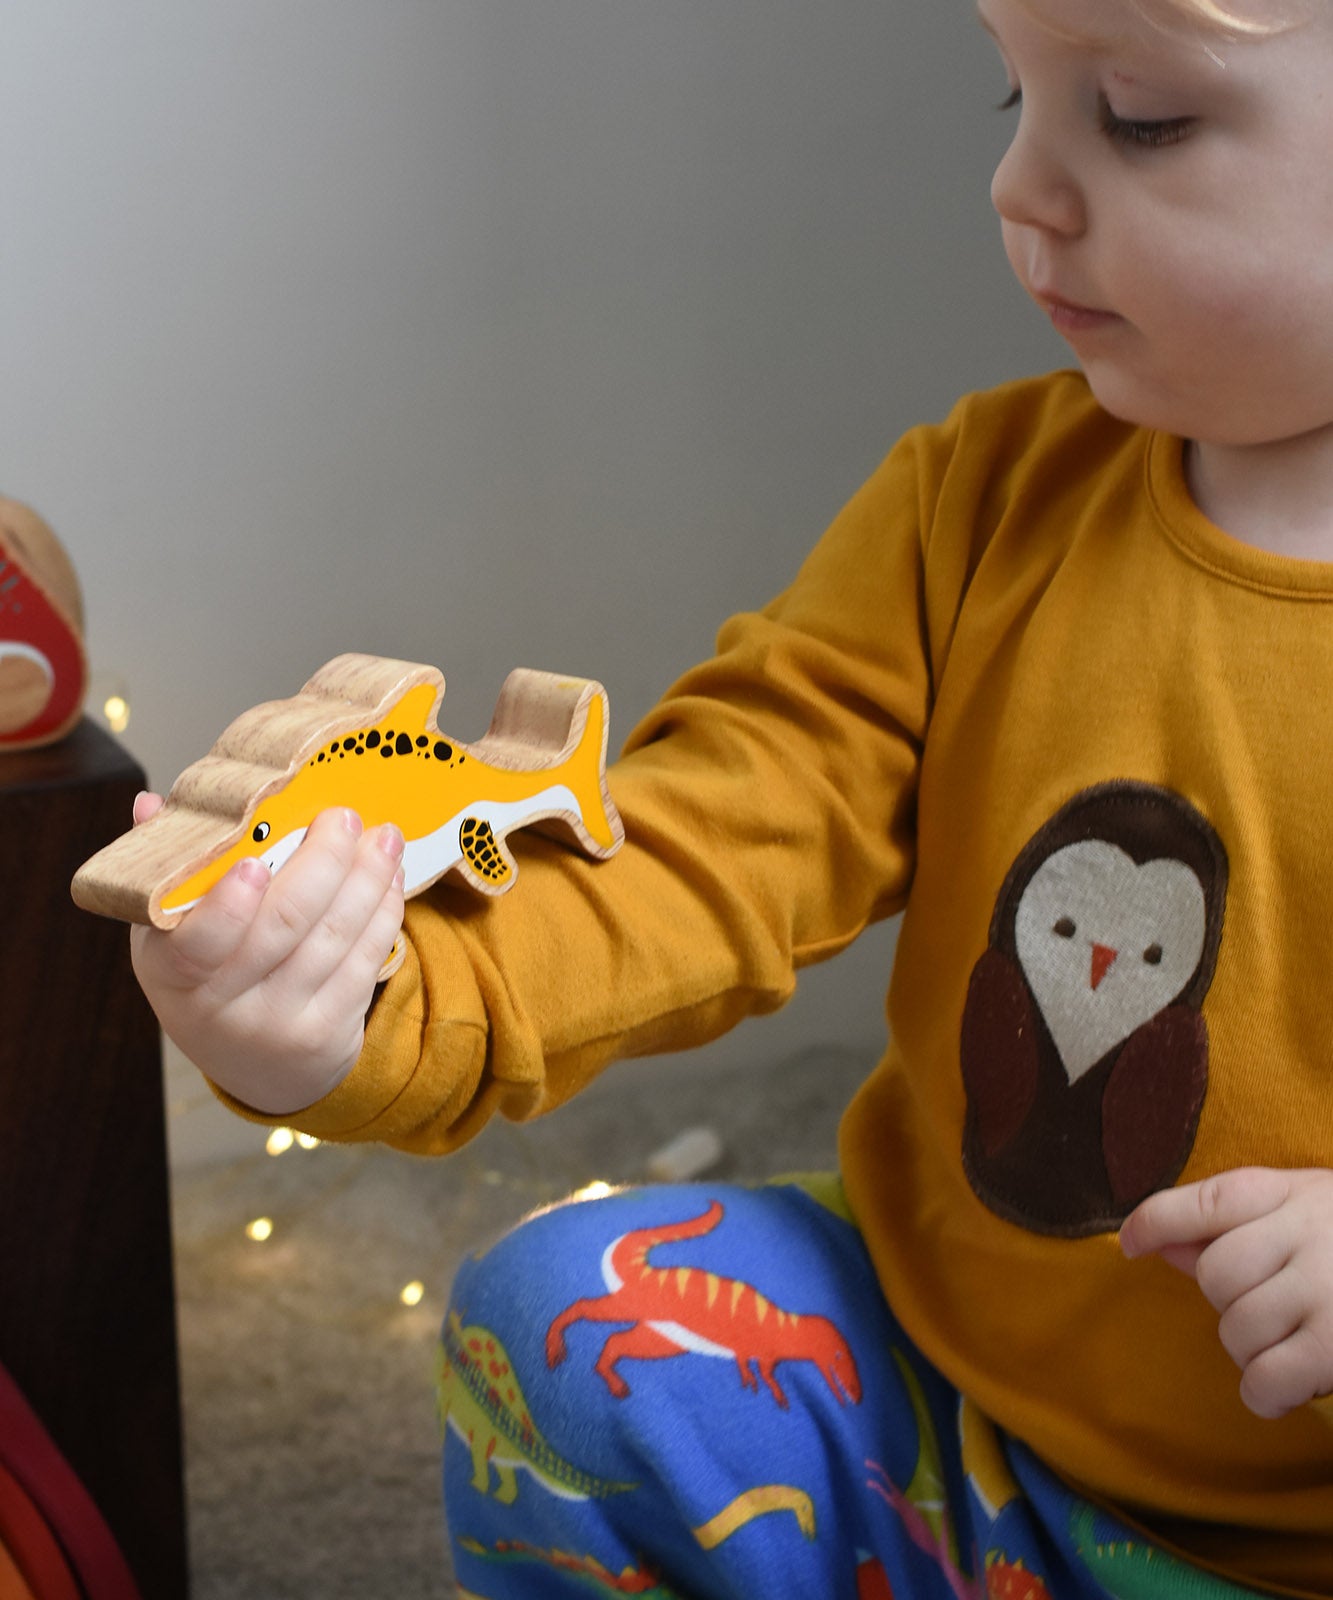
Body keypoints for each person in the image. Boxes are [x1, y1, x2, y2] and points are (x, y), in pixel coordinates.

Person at [130, 0, 1333, 1591]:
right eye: (1013, 100)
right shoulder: (981, 500)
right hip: (948, 1421)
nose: (1019, 187)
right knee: (559, 1327)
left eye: (1138, 118)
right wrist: (366, 1000)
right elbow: (717, 832)